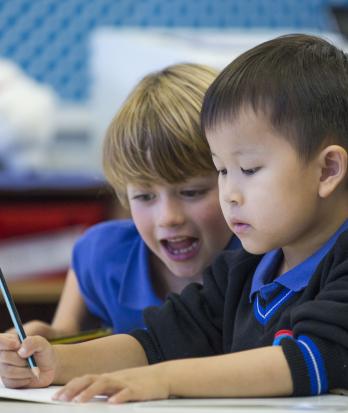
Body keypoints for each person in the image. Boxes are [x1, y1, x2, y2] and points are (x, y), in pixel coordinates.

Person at [1, 33, 348, 402]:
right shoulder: (243, 268)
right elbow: (157, 342)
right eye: (222, 170)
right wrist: (54, 361)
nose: (229, 192)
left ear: (327, 170)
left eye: (248, 169)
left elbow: (307, 361)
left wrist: (163, 379)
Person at [10, 63, 237, 339]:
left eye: (191, 192)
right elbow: (64, 335)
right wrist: (44, 339)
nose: (168, 217)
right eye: (144, 196)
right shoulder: (103, 255)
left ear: (236, 179)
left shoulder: (268, 263)